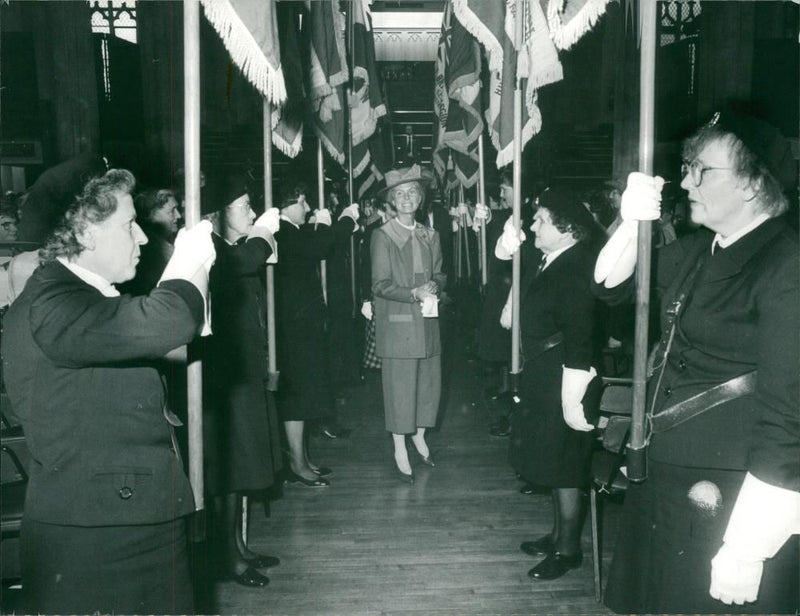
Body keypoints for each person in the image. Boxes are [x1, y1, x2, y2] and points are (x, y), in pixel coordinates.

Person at [594, 109, 799, 613]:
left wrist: (750, 548)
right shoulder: (699, 252)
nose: (685, 180)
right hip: (664, 473)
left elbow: (789, 417)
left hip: (726, 497)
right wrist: (631, 223)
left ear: (753, 184)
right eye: (687, 166)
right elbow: (608, 288)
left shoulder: (785, 268)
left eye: (701, 169)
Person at [1, 168, 214, 614]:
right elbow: (171, 320)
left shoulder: (79, 296)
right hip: (103, 536)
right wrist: (189, 263)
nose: (141, 237)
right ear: (85, 232)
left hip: (119, 519)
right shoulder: (57, 303)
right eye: (128, 224)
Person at [496, 185, 603, 581]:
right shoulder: (554, 259)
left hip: (567, 376)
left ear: (567, 228)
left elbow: (579, 335)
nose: (534, 225)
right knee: (554, 460)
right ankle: (558, 534)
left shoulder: (576, 267)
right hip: (547, 370)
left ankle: (568, 550)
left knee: (567, 466)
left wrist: (572, 394)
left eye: (541, 220)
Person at [201, 172, 283, 587]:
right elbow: (243, 263)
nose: (252, 211)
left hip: (243, 369)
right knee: (227, 470)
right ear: (218, 213)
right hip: (222, 378)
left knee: (242, 464)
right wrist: (264, 233)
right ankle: (225, 556)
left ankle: (237, 546)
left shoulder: (229, 244)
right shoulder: (211, 248)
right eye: (244, 205)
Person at [274, 181, 359, 487]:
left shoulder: (291, 232)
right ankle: (297, 463)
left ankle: (302, 459)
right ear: (286, 206)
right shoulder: (283, 232)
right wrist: (338, 220)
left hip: (302, 325)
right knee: (297, 397)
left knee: (304, 394)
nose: (307, 208)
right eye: (302, 201)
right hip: (293, 329)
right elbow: (323, 245)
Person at [371, 164, 446, 484]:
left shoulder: (431, 234)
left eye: (412, 193)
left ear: (421, 198)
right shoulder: (382, 235)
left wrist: (435, 286)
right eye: (399, 194)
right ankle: (399, 446)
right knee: (400, 390)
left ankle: (419, 435)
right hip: (399, 326)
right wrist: (412, 292)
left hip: (428, 325)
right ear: (390, 200)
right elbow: (380, 285)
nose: (406, 198)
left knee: (428, 386)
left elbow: (441, 273)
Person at [120, 188, 182, 294]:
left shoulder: (163, 243)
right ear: (150, 216)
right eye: (171, 211)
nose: (179, 216)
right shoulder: (152, 252)